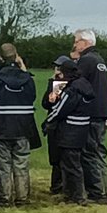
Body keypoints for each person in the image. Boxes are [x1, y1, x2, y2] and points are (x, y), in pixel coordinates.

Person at [0, 44, 40, 208]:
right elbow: (32, 97)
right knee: (21, 164)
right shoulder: (27, 78)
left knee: (3, 166)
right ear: (17, 57)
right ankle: (22, 199)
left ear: (0, 58)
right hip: (24, 127)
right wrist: (23, 67)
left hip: (1, 127)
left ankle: (4, 200)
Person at [42, 56, 94, 204]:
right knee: (74, 164)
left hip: (69, 131)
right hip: (82, 128)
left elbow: (60, 109)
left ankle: (76, 196)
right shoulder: (85, 85)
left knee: (71, 165)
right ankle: (73, 194)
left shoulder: (72, 89)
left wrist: (47, 122)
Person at [72, 29, 107, 204]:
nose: (74, 45)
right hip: (103, 112)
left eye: (77, 41)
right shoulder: (99, 60)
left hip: (91, 113)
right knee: (99, 152)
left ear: (86, 42)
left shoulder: (86, 60)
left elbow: (76, 84)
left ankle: (96, 193)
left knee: (89, 154)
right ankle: (106, 189)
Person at [41, 56, 76, 194]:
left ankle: (66, 186)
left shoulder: (73, 84)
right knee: (55, 157)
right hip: (54, 124)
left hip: (64, 123)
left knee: (65, 157)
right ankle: (56, 186)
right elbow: (45, 103)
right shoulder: (54, 83)